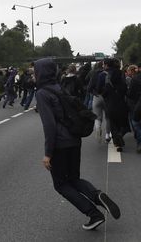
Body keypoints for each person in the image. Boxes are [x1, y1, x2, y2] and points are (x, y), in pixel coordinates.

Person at [35, 58, 120, 231]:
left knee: (61, 184)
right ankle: (98, 196)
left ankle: (94, 214)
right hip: (74, 139)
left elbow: (49, 125)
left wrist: (47, 154)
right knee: (74, 178)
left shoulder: (42, 93)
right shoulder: (59, 87)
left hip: (59, 144)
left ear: (41, 73)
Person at [97, 58, 131, 152]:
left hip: (110, 103)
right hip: (121, 102)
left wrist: (104, 93)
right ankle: (120, 134)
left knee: (113, 124)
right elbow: (125, 88)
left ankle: (117, 143)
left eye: (104, 64)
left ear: (107, 65)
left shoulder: (102, 75)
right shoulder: (121, 73)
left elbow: (99, 90)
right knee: (123, 123)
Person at [87, 61, 111, 143]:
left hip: (97, 97)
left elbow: (89, 88)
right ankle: (107, 135)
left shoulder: (94, 74)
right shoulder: (108, 74)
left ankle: (97, 128)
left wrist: (95, 93)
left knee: (97, 117)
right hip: (107, 97)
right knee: (108, 117)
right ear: (104, 66)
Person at [126, 65, 141, 152]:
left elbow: (130, 93)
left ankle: (140, 142)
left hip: (137, 104)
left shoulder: (135, 79)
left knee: (135, 122)